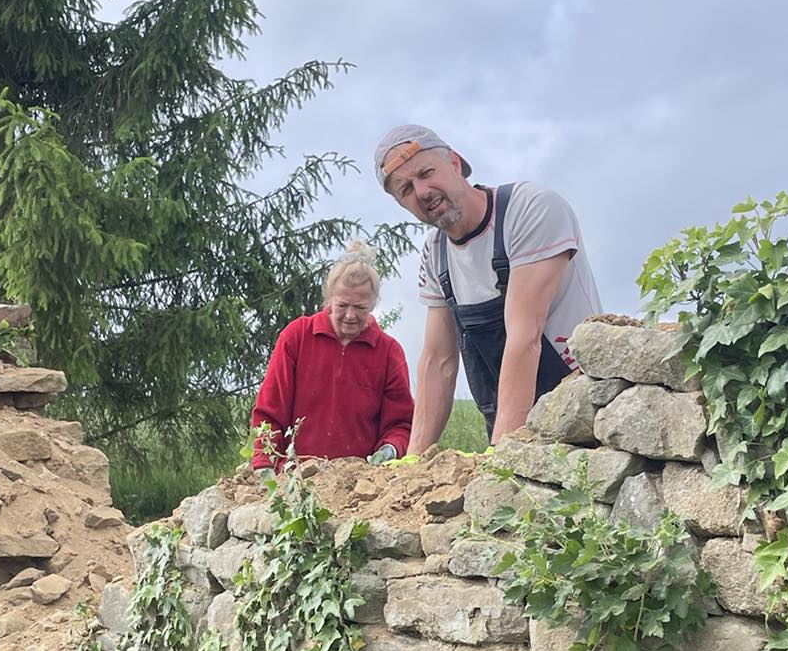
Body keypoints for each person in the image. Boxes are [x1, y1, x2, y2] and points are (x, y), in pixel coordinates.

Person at [375, 125, 602, 449]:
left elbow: (525, 336)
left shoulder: (529, 210)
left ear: (454, 163)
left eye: (426, 173)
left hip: (582, 412)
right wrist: (413, 464)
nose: (422, 191)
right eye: (406, 189)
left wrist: (499, 461)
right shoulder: (436, 252)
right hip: (509, 426)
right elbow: (438, 360)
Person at [249, 242, 413, 470]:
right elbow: (270, 408)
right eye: (343, 305)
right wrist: (264, 462)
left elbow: (400, 423)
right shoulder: (297, 337)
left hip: (358, 483)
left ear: (373, 304)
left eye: (360, 307)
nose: (350, 315)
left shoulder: (388, 352)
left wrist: (390, 448)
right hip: (295, 477)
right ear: (328, 300)